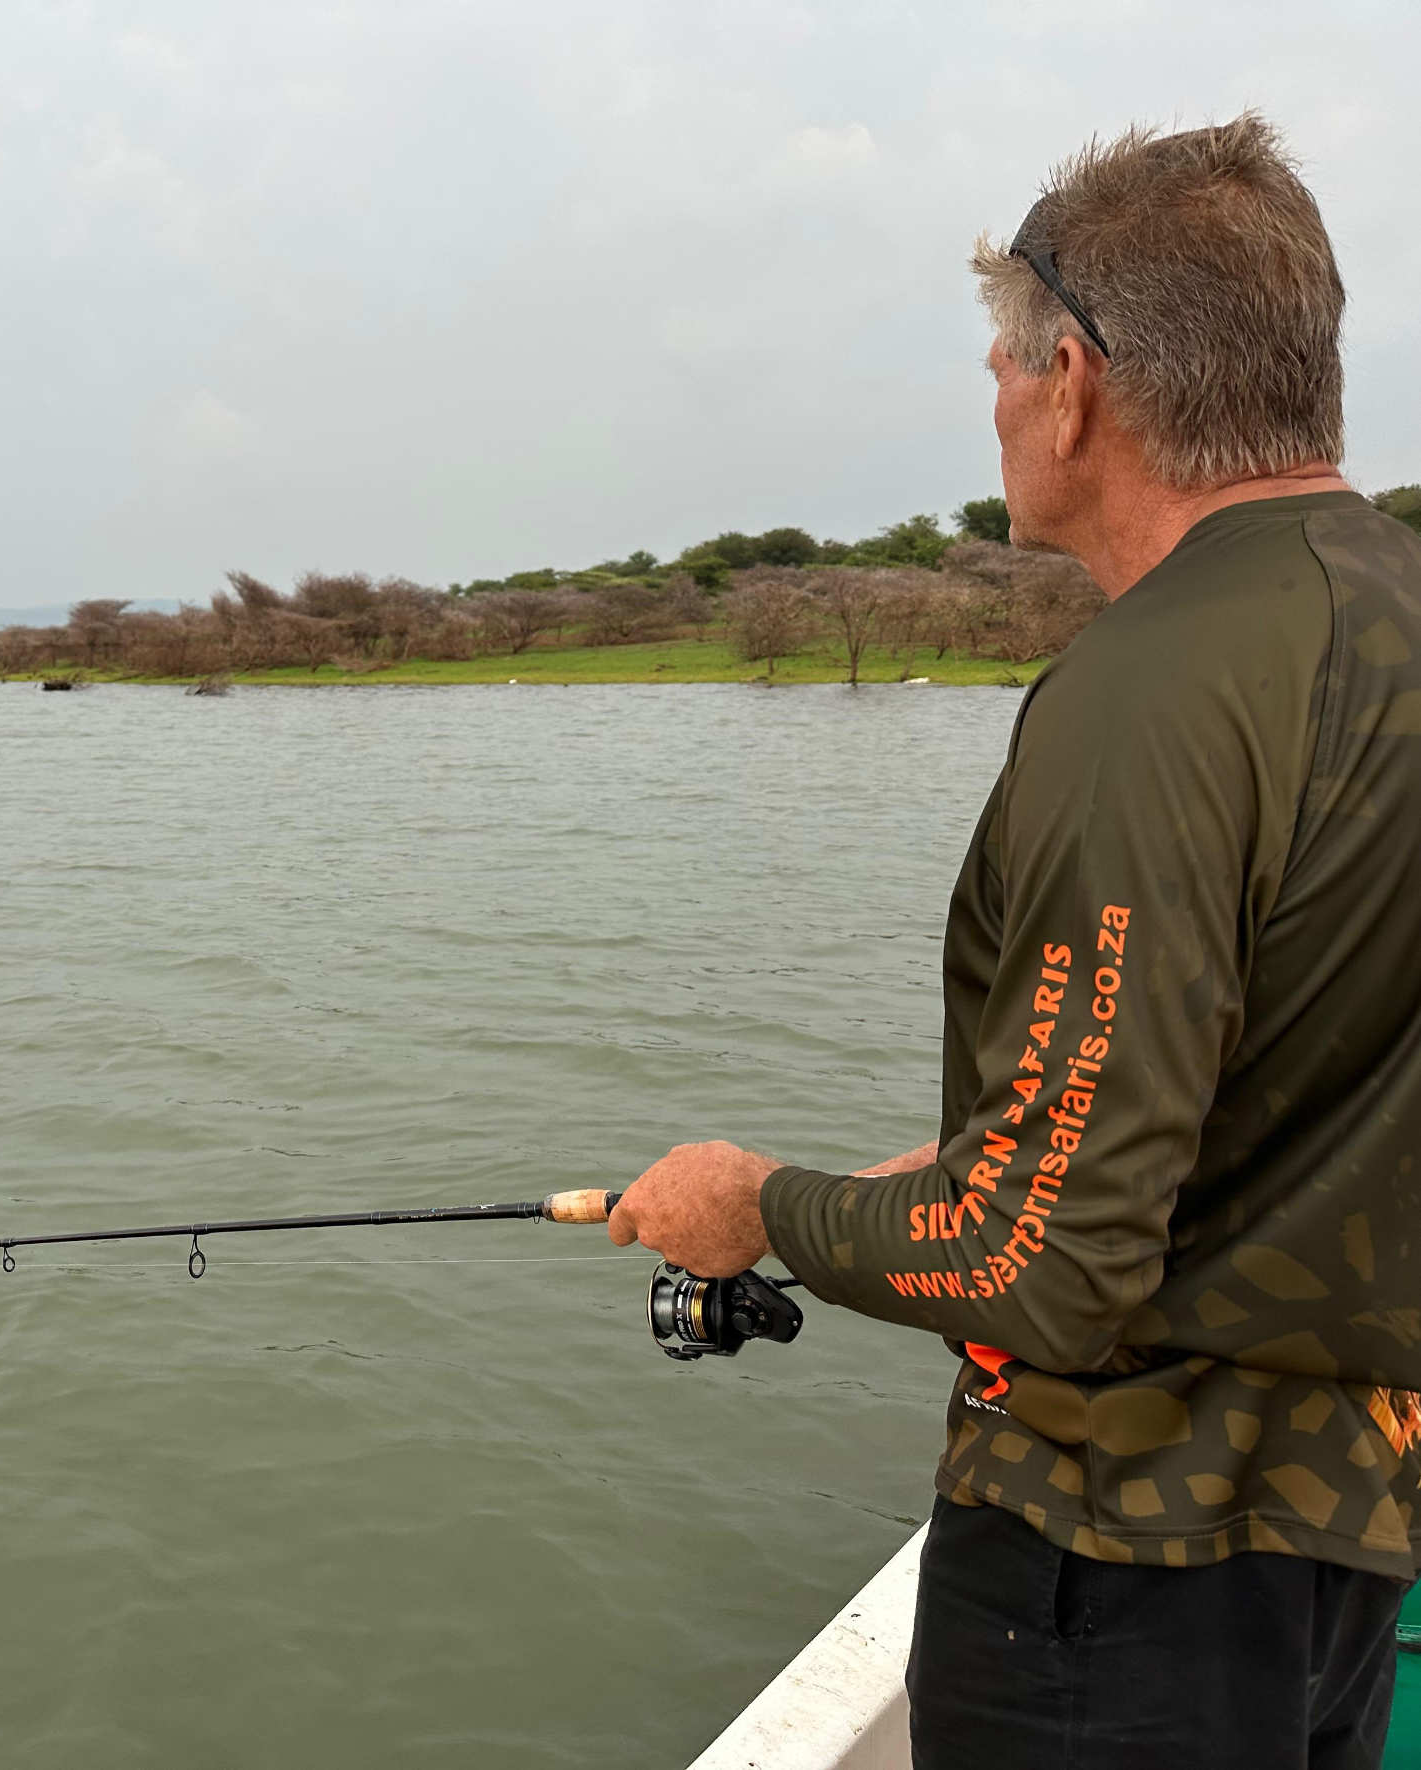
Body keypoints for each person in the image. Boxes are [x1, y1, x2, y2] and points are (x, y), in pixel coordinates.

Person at [609, 114, 1421, 1769]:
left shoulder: (1150, 689)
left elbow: (1037, 1264)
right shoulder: (1387, 611)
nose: (989, 399)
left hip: (1114, 1579)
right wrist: (986, 1160)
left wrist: (755, 1202)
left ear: (1073, 381)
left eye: (998, 361)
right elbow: (1278, 1080)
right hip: (1343, 1545)